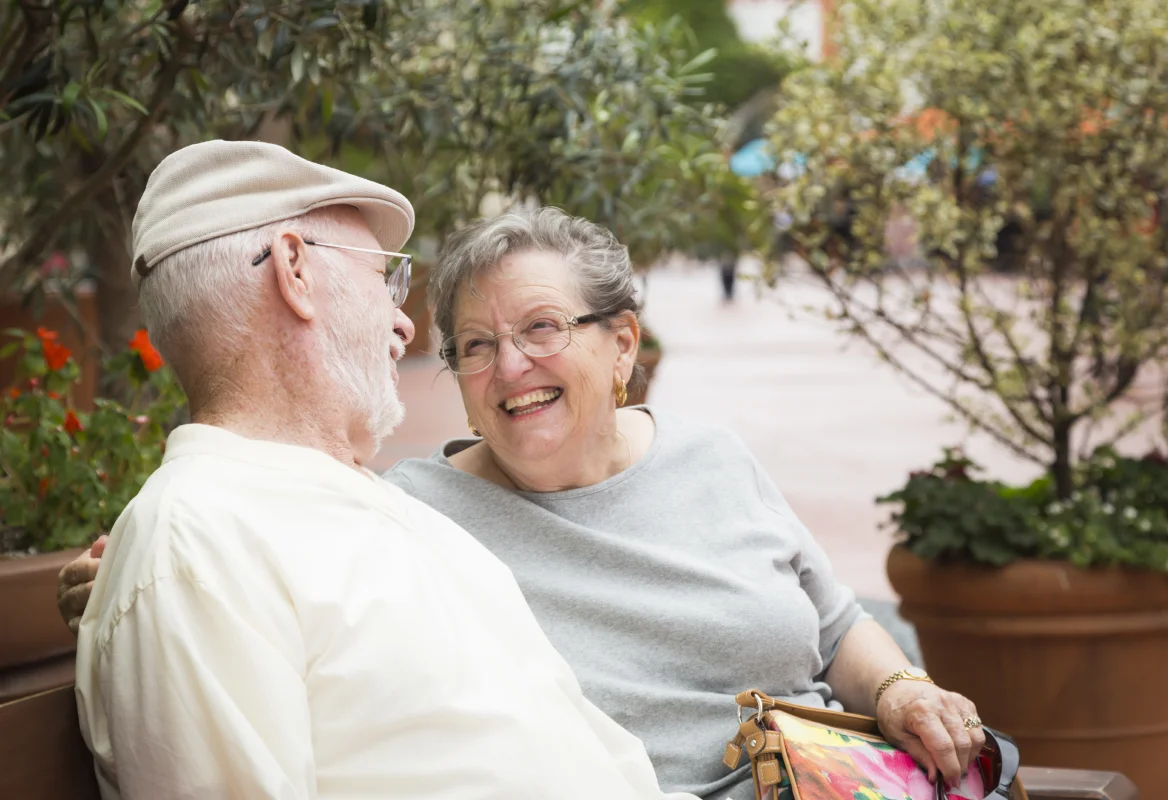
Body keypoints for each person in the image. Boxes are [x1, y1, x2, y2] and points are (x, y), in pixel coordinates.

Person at [61, 205, 987, 799]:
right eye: (473, 345)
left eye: (542, 328)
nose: (510, 368)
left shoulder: (712, 459)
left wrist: (904, 689)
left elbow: (832, 625)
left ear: (622, 343)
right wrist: (116, 575)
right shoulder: (417, 511)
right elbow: (268, 529)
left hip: (842, 779)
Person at [69, 140, 700, 800]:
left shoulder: (376, 507)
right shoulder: (196, 541)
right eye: (385, 280)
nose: (403, 324)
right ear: (295, 271)